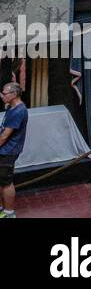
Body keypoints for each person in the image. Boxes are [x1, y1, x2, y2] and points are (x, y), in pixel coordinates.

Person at [0, 82, 27, 219]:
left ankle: (9, 213)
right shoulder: (12, 107)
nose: (2, 96)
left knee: (6, 182)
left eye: (4, 93)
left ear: (14, 94)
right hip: (3, 150)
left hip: (7, 152)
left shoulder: (18, 111)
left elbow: (4, 136)